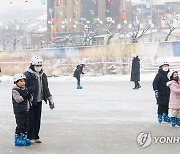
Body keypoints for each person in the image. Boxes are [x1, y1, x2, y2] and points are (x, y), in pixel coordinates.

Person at [24, 55, 55, 143]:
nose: (38, 67)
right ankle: (30, 137)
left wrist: (50, 99)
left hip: (39, 100)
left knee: (37, 119)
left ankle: (36, 135)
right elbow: (23, 88)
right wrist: (28, 96)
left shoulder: (43, 75)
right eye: (36, 65)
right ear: (32, 65)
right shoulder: (27, 75)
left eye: (40, 65)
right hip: (30, 101)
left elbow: (46, 88)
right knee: (30, 119)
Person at [12, 74, 32, 146]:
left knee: (26, 125)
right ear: (16, 82)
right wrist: (25, 96)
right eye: (21, 81)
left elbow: (29, 99)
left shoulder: (25, 89)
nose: (23, 83)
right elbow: (18, 100)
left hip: (26, 110)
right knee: (20, 125)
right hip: (19, 111)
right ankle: (17, 138)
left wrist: (30, 97)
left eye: (24, 81)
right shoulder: (15, 90)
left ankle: (23, 138)